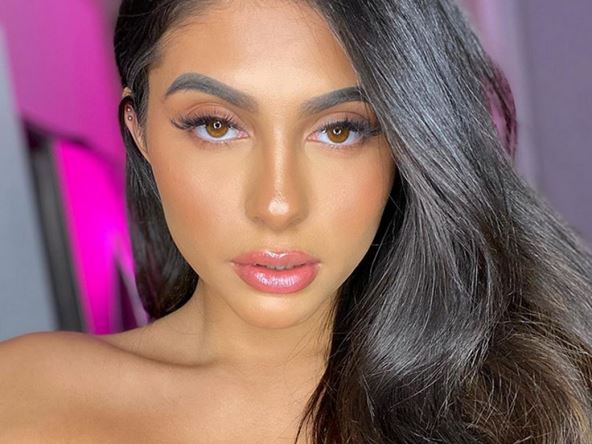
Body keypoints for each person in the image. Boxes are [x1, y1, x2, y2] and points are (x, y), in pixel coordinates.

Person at [2, 0, 592, 442]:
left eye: (339, 130)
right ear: (140, 132)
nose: (278, 204)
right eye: (216, 126)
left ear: (406, 144)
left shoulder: (532, 406)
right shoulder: (26, 397)